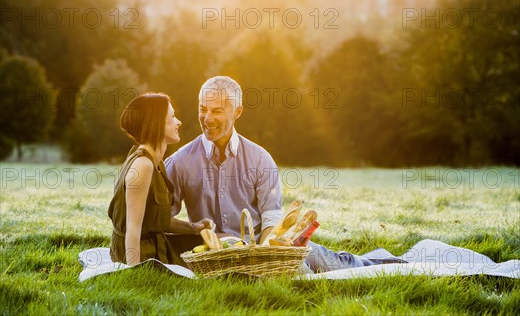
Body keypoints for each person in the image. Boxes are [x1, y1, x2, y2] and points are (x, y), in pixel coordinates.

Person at [165, 76, 405, 272]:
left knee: (339, 265)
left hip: (266, 250)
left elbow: (271, 218)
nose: (207, 119)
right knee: (303, 275)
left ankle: (390, 263)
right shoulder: (179, 162)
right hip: (216, 261)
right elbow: (164, 218)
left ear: (237, 111)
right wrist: (193, 229)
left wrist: (264, 254)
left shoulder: (260, 159)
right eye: (202, 109)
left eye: (216, 111)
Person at [108, 92, 213, 266]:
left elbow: (154, 220)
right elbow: (133, 230)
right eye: (172, 117)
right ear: (156, 123)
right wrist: (133, 274)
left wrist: (193, 228)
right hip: (141, 254)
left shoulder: (156, 162)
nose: (179, 122)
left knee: (212, 245)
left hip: (155, 244)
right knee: (205, 261)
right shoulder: (143, 165)